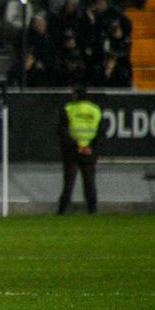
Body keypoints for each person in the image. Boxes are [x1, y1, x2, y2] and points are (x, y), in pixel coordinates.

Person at [57, 85, 101, 215]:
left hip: (72, 151)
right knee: (89, 182)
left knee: (68, 183)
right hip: (89, 152)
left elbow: (62, 131)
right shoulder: (95, 110)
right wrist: (91, 147)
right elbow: (101, 132)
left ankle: (62, 211)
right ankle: (92, 210)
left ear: (75, 95)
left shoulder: (69, 109)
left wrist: (77, 145)